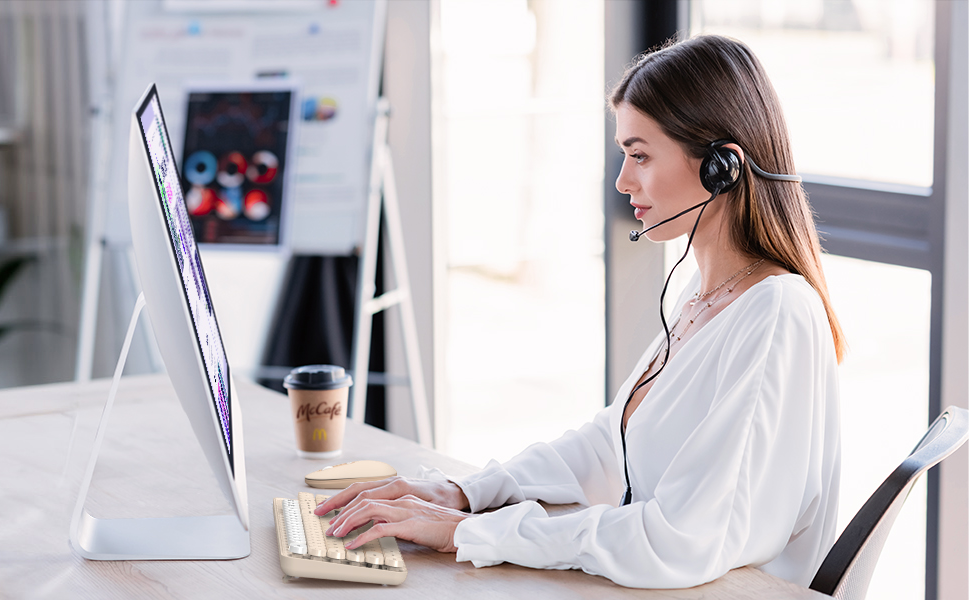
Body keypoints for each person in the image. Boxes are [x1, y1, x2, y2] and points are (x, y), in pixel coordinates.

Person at [315, 34, 844, 589]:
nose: (622, 181)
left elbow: (679, 541)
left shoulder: (775, 314)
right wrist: (466, 494)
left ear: (722, 168)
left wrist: (467, 533)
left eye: (640, 155)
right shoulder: (707, 294)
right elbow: (607, 445)